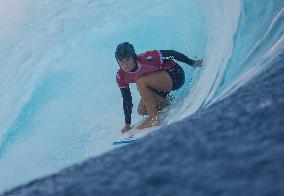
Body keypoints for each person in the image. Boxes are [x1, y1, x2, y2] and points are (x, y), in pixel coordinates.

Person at [115, 42, 203, 133]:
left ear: (133, 57)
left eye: (127, 60)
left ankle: (154, 119)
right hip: (159, 86)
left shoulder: (147, 58)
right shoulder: (121, 76)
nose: (125, 64)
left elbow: (172, 54)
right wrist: (127, 124)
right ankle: (167, 101)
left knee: (140, 81)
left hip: (175, 75)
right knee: (142, 110)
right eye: (121, 61)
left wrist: (192, 63)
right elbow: (127, 99)